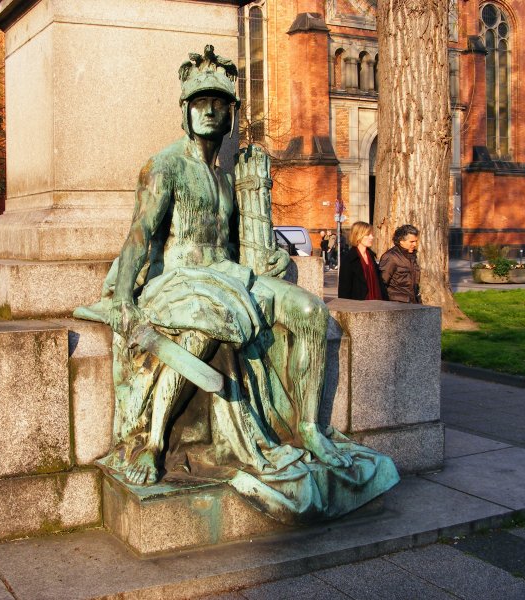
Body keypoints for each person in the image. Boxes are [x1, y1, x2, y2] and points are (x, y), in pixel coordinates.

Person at [75, 46, 397, 524]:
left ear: (230, 115)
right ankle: (154, 441)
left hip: (227, 276)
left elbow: (241, 250)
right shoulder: (165, 165)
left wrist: (261, 225)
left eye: (219, 104)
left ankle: (309, 428)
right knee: (212, 319)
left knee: (309, 311)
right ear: (185, 111)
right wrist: (122, 299)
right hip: (177, 281)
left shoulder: (225, 180)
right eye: (200, 102)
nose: (209, 110)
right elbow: (141, 236)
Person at [337, 221, 388, 301]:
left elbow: (379, 282)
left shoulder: (372, 256)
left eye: (372, 234)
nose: (372, 237)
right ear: (358, 236)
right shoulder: (349, 259)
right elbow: (344, 288)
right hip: (359, 305)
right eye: (368, 235)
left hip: (377, 302)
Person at [379, 224, 421, 303]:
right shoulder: (390, 257)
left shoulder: (412, 256)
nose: (415, 244)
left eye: (416, 241)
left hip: (412, 302)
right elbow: (382, 283)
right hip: (396, 304)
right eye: (411, 242)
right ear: (401, 241)